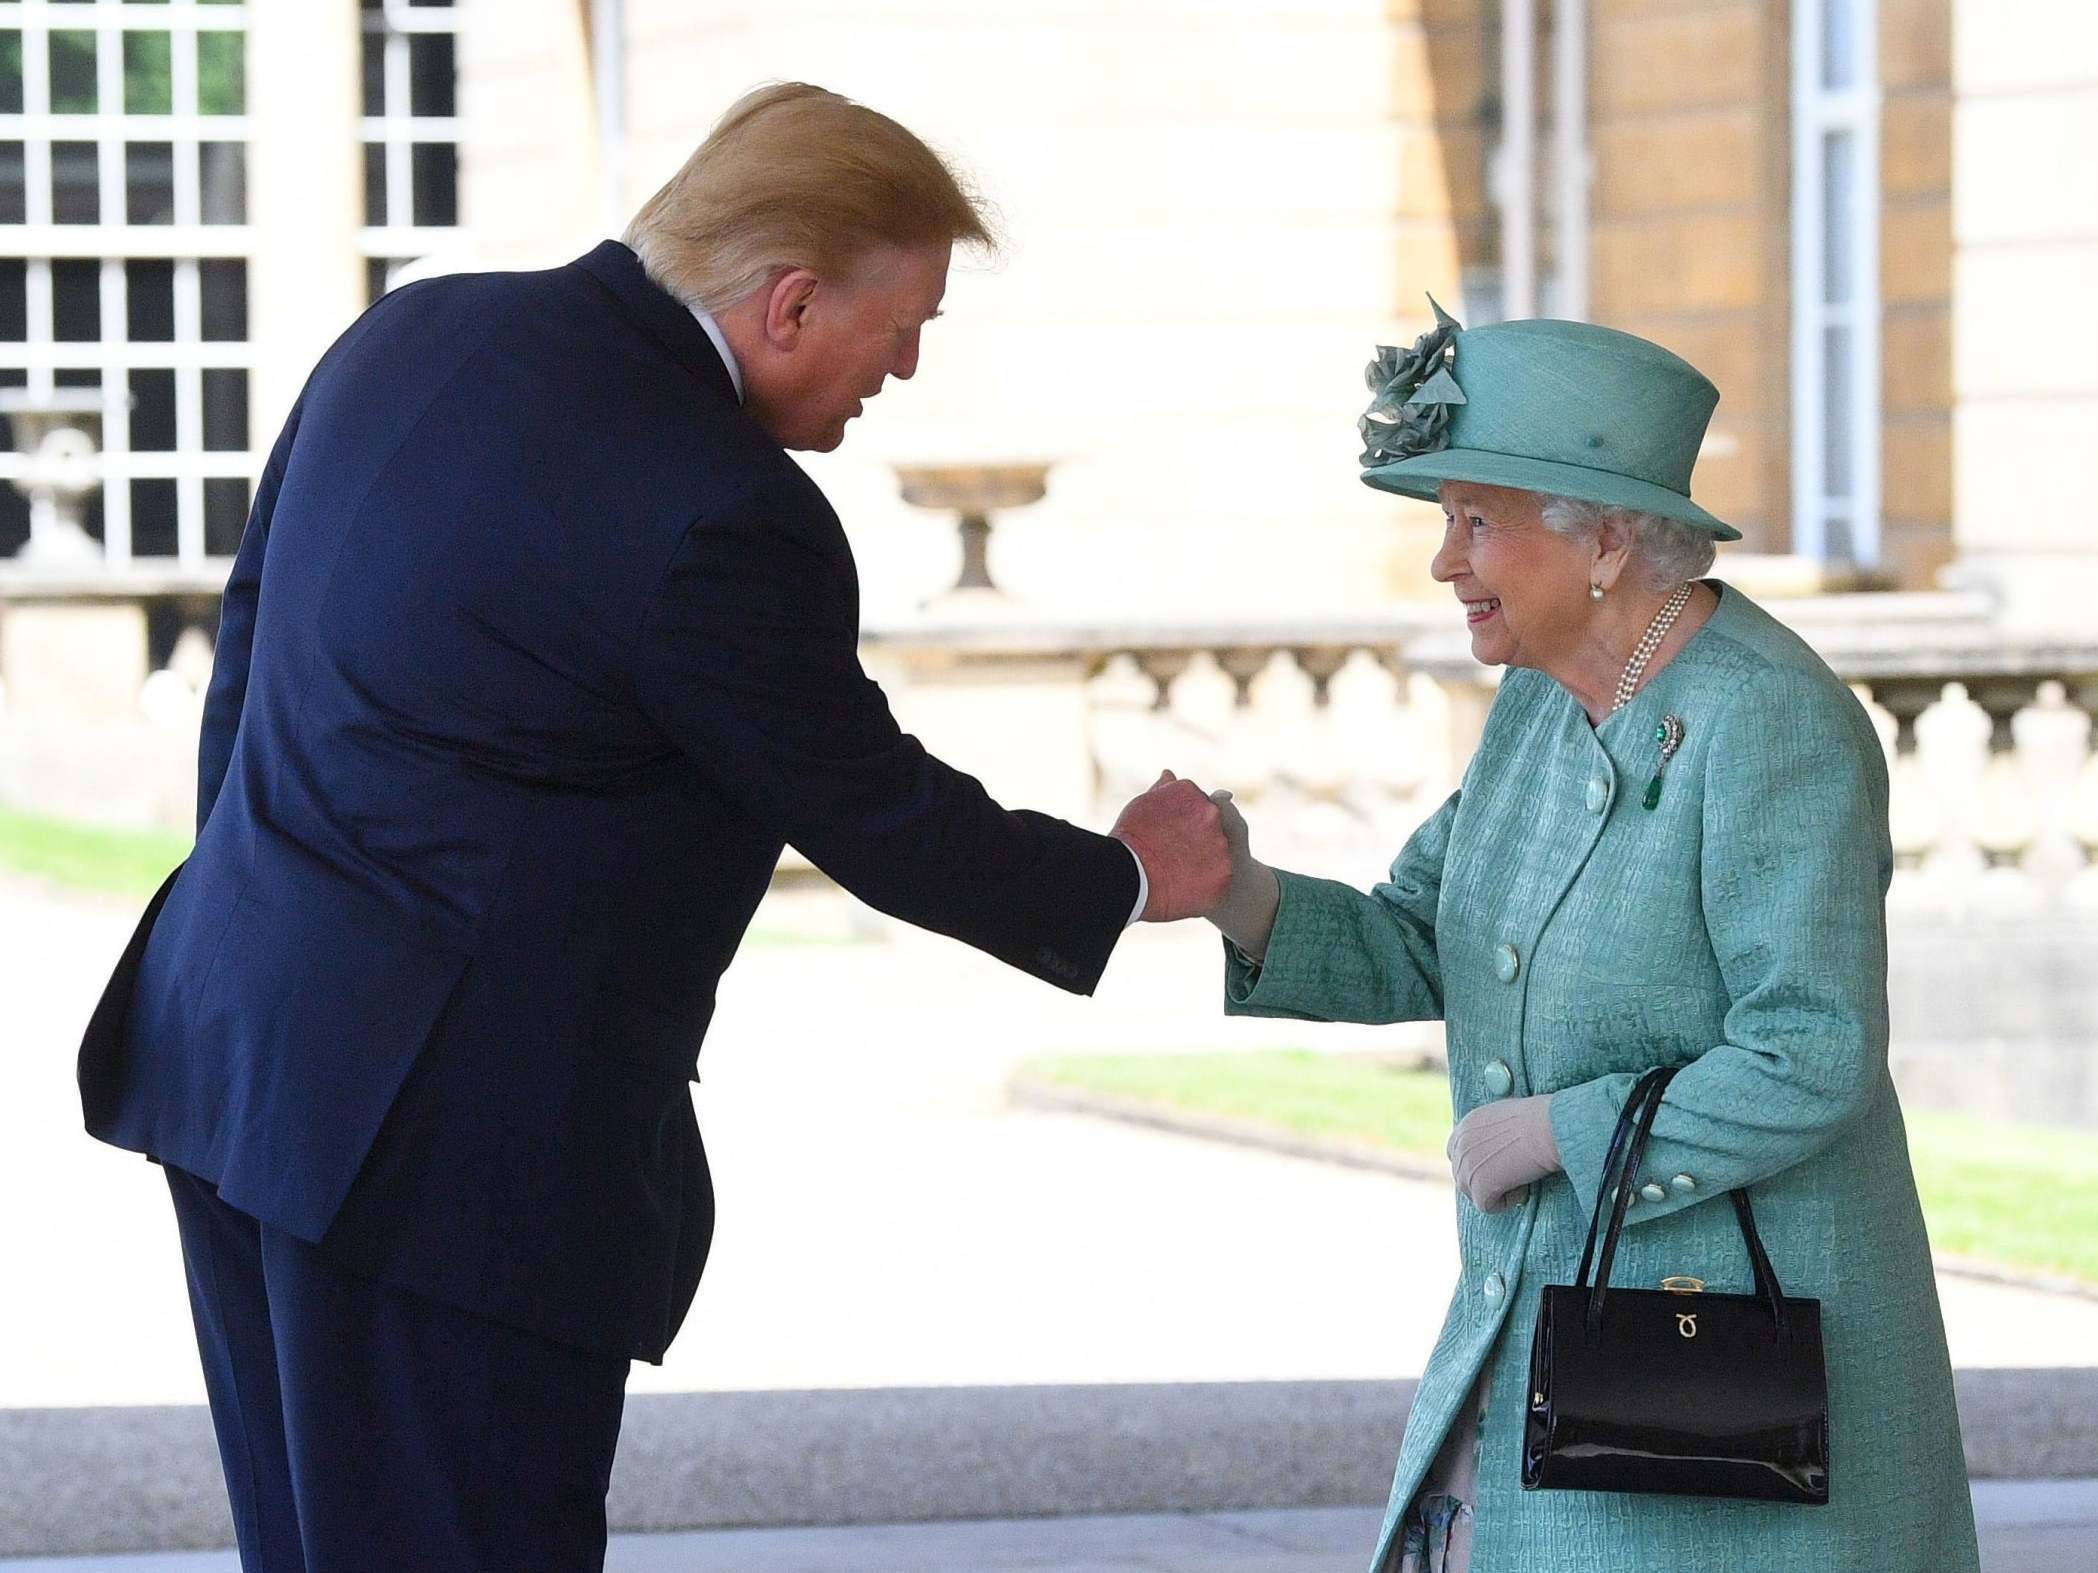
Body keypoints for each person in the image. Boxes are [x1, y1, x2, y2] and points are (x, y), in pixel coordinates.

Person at [76, 83, 1230, 1572]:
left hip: (237, 1054)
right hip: (446, 1161)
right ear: (794, 303)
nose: (911, 365)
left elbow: (248, 650)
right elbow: (872, 808)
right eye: (910, 321)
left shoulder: (409, 334)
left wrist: (280, 920)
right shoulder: (721, 510)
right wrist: (1132, 872)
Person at [1154, 305, 1980, 1571]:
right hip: (1554, 1342)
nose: (1443, 561)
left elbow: (1812, 1050)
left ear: (1600, 541)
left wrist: (1559, 1132)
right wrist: (1239, 891)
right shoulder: (1538, 705)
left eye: (1475, 521)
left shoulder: (1768, 723)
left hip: (1724, 1372)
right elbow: (1428, 933)